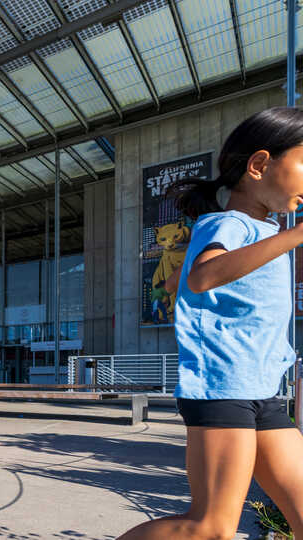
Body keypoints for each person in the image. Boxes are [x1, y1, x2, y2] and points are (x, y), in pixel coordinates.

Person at [119, 107, 303, 540]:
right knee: (210, 528)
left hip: (263, 390)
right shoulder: (227, 223)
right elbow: (202, 276)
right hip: (223, 387)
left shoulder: (269, 233)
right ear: (259, 164)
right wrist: (296, 236)